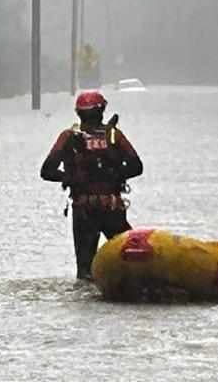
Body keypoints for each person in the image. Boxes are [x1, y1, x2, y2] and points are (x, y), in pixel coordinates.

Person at [40, 90, 143, 280]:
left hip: (84, 211)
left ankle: (88, 292)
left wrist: (70, 178)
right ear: (102, 110)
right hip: (112, 208)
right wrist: (114, 175)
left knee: (85, 269)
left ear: (78, 113)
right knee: (131, 259)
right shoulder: (113, 135)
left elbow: (47, 171)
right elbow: (136, 167)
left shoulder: (69, 137)